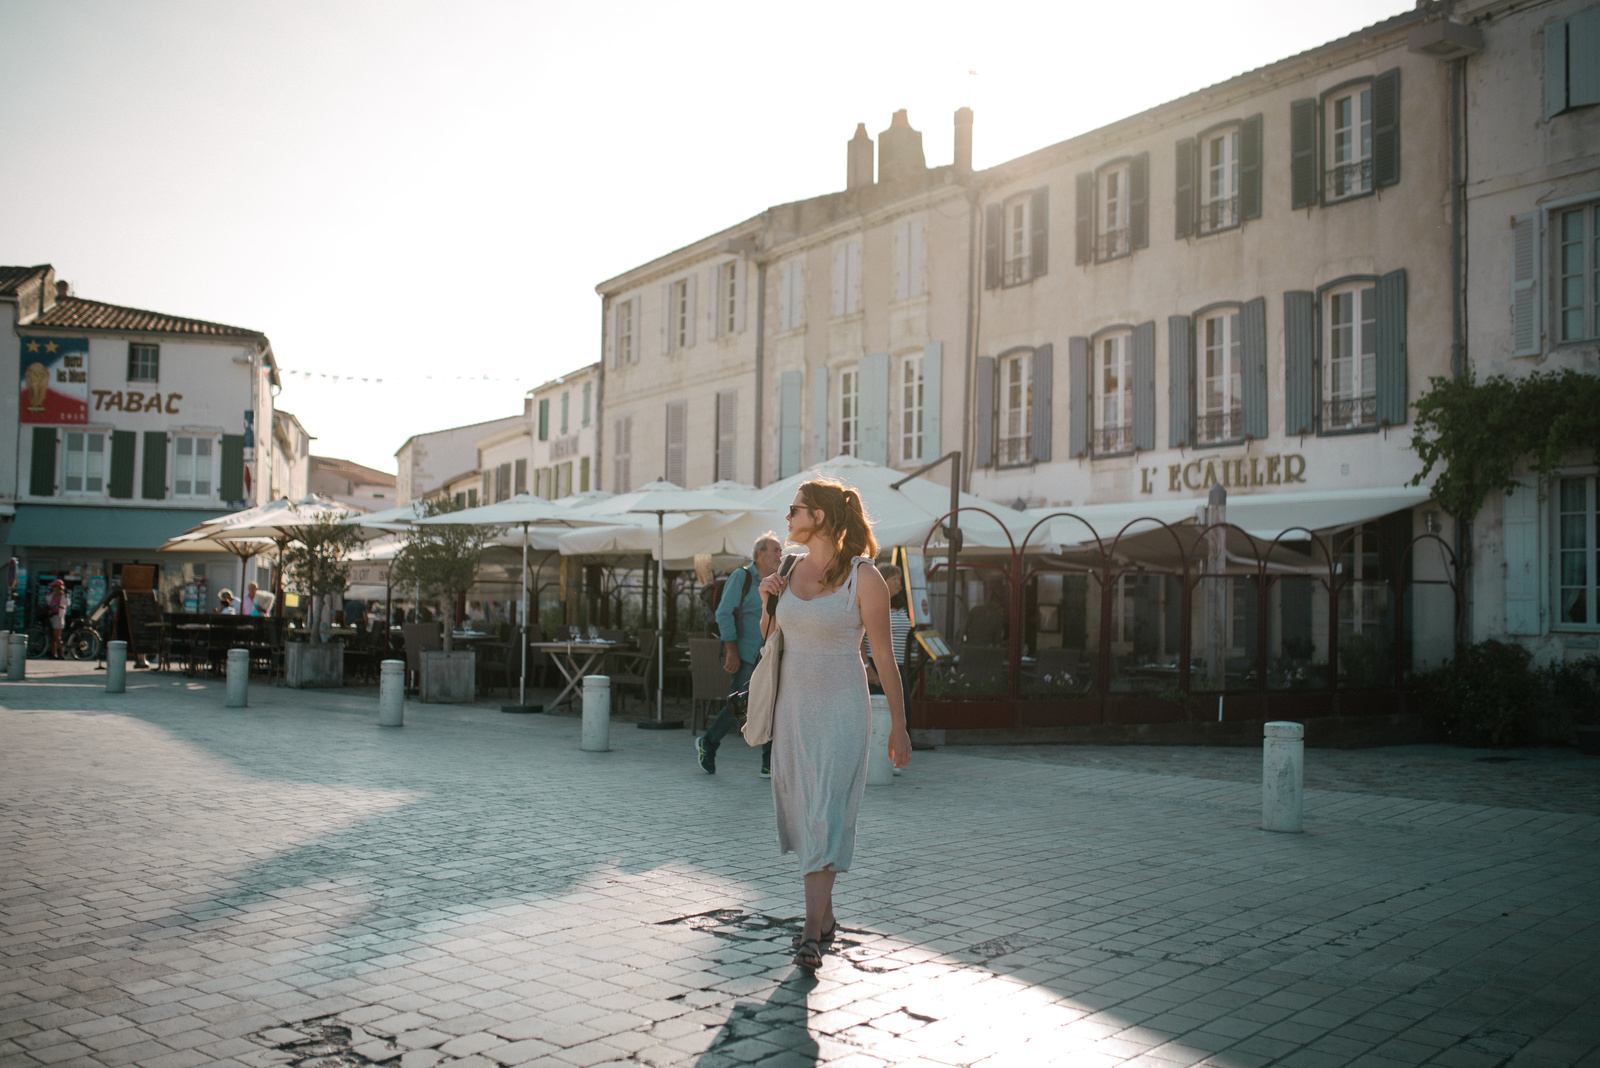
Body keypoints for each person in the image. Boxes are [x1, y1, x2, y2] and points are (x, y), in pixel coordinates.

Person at [759, 478, 912, 972]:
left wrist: (900, 726)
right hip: (792, 710)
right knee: (807, 810)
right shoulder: (786, 567)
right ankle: (824, 918)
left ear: (820, 516)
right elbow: (771, 638)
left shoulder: (863, 578)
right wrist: (768, 599)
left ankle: (808, 933)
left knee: (825, 809)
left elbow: (885, 658)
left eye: (795, 510)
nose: (787, 518)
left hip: (843, 708)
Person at [695, 533, 782, 776]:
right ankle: (709, 743)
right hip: (746, 652)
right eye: (775, 550)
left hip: (771, 654)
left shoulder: (780, 581)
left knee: (771, 703)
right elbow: (724, 613)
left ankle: (768, 761)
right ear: (760, 554)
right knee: (741, 706)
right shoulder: (742, 577)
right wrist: (731, 650)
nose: (780, 554)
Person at [46, 578, 68, 658]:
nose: (53, 588)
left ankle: (61, 653)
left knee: (57, 637)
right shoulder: (51, 595)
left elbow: (65, 605)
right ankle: (53, 653)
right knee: (53, 637)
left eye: (54, 587)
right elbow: (48, 603)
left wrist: (59, 606)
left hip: (58, 617)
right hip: (52, 617)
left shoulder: (63, 596)